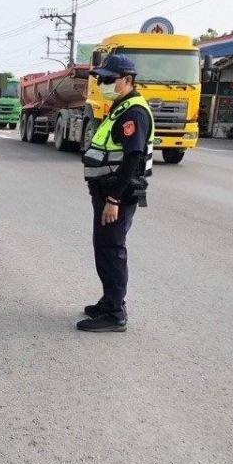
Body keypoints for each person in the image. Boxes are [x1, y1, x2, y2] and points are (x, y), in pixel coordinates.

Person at [78, 54, 154, 333]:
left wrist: (113, 200)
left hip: (116, 196)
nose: (102, 83)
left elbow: (133, 159)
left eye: (108, 79)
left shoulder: (133, 112)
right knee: (105, 248)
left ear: (127, 80)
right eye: (100, 78)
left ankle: (114, 313)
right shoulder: (120, 107)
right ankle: (109, 300)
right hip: (107, 193)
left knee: (112, 250)